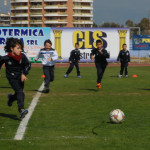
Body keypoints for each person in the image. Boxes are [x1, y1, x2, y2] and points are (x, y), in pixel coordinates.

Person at [0, 37, 31, 118]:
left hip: (20, 77)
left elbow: (28, 65)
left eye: (21, 48)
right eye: (18, 48)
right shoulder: (6, 58)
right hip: (11, 77)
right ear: (11, 49)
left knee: (19, 93)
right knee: (20, 92)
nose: (20, 50)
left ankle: (11, 98)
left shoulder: (22, 56)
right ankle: (21, 109)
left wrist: (24, 73)